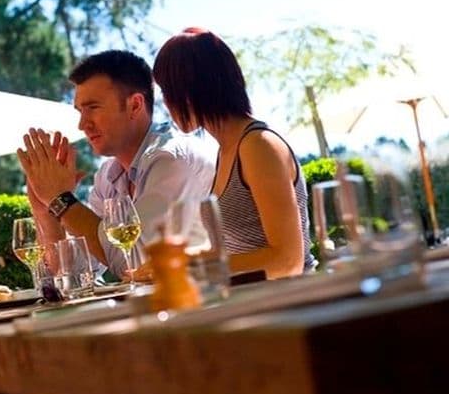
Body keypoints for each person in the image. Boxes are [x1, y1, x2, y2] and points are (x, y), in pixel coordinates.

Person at [17, 50, 215, 280]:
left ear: (135, 105)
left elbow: (132, 261)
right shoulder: (108, 176)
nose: (82, 124)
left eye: (93, 108)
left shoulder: (172, 159)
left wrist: (61, 199)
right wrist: (46, 211)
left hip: (210, 305)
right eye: (80, 111)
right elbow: (78, 272)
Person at [152, 28, 314, 278]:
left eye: (166, 91)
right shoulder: (226, 151)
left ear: (191, 90)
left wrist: (188, 267)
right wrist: (175, 260)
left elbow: (288, 260)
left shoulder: (258, 146)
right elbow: (238, 251)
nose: (165, 102)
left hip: (289, 303)